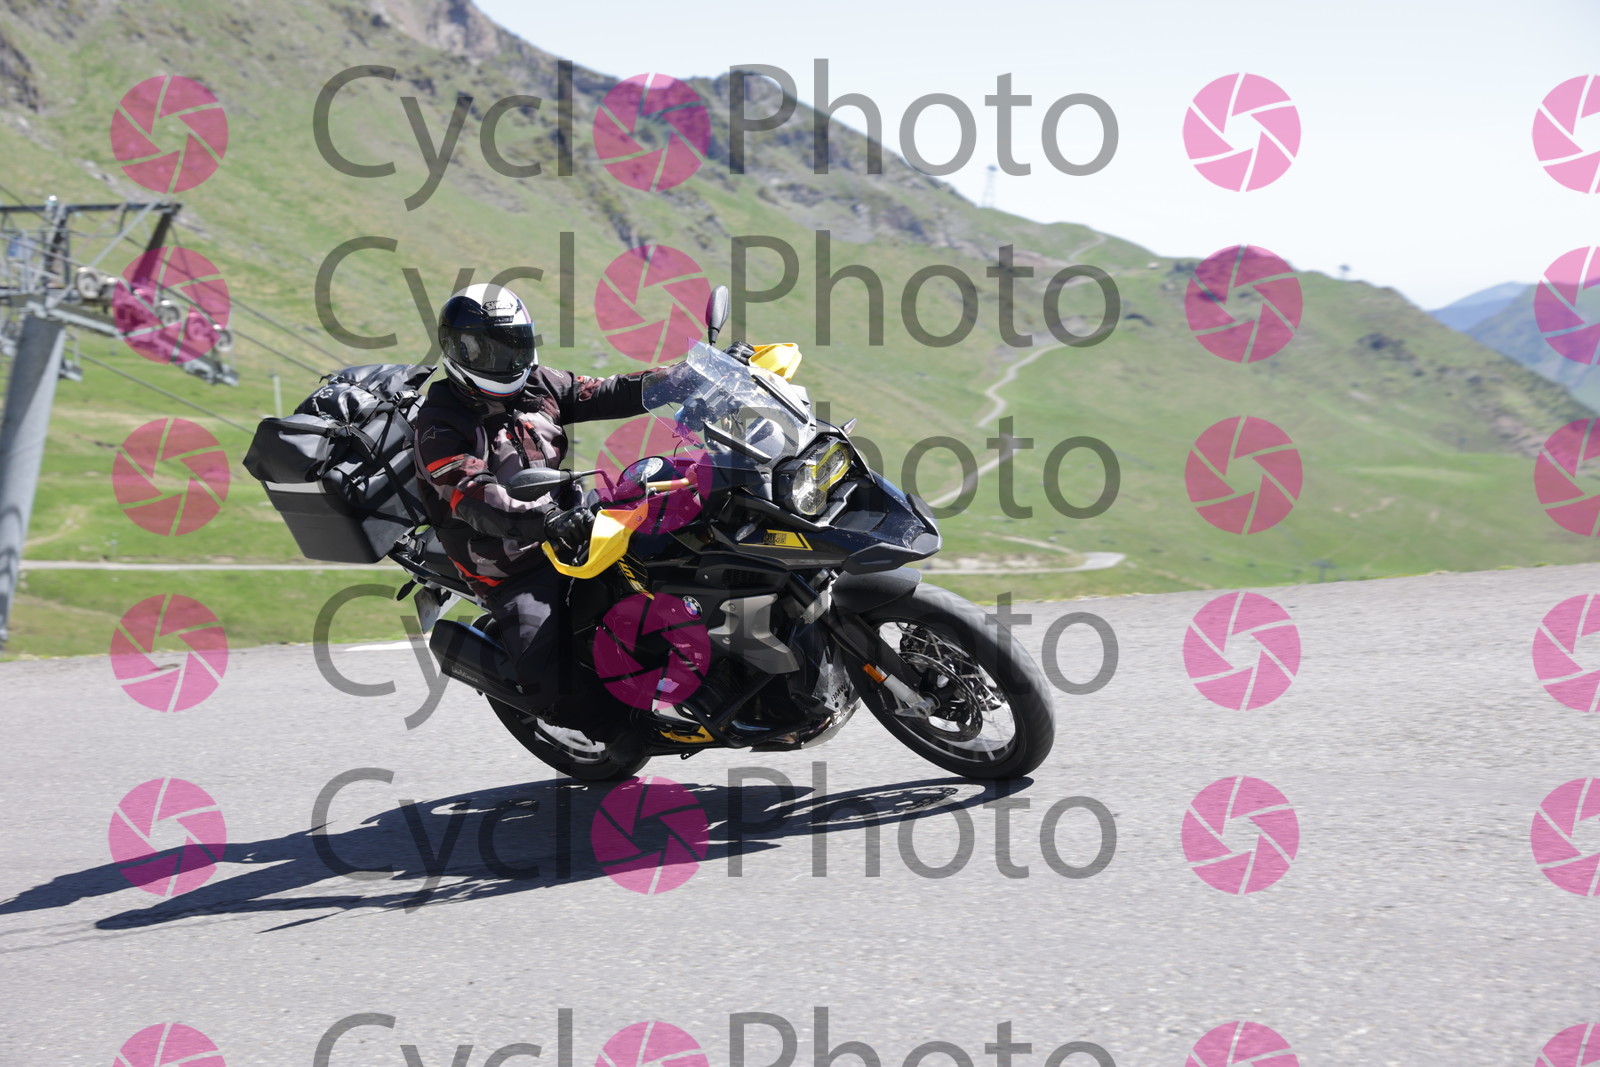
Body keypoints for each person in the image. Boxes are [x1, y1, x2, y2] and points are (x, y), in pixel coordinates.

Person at [412, 282, 649, 742]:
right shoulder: (439, 423)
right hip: (513, 564)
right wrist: (546, 522)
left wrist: (687, 377)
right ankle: (626, 731)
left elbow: (609, 391)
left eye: (514, 343)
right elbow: (476, 496)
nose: (507, 359)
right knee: (551, 690)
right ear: (459, 350)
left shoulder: (539, 383)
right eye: (490, 349)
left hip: (577, 522)